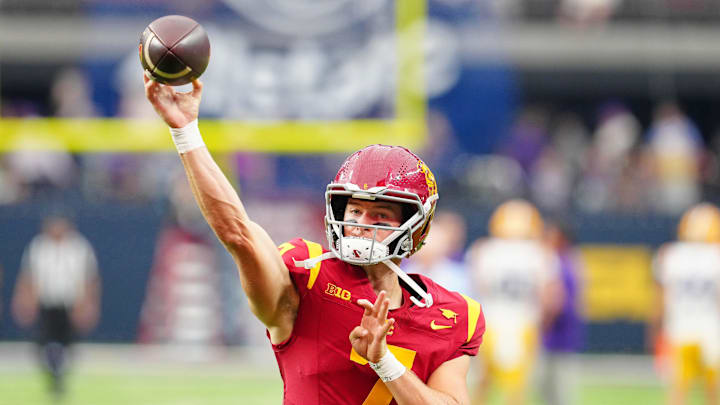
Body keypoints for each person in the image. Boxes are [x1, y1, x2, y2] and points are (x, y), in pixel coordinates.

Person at [143, 73, 485, 404]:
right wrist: (186, 133)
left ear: (416, 226)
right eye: (353, 212)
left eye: (379, 215)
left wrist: (384, 361)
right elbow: (239, 234)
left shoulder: (453, 313)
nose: (360, 225)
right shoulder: (307, 276)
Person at [466, 199, 563, 405]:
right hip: (524, 323)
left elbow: (477, 288)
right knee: (517, 388)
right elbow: (550, 297)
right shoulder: (541, 253)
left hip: (490, 322)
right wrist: (542, 324)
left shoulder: (484, 250)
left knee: (483, 382)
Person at [11, 214, 101, 398]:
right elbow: (28, 277)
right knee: (42, 343)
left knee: (68, 344)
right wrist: (24, 301)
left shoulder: (78, 247)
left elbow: (90, 279)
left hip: (69, 303)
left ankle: (61, 378)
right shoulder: (39, 246)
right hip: (46, 302)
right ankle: (53, 376)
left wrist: (87, 304)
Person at [651, 202, 720, 405]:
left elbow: (660, 300)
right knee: (712, 392)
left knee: (678, 391)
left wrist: (655, 330)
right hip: (711, 330)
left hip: (679, 329)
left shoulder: (670, 255)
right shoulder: (716, 256)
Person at [539, 221, 584, 405]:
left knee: (557, 391)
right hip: (561, 334)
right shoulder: (569, 261)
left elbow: (557, 302)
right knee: (550, 391)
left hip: (558, 334)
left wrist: (542, 325)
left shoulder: (561, 263)